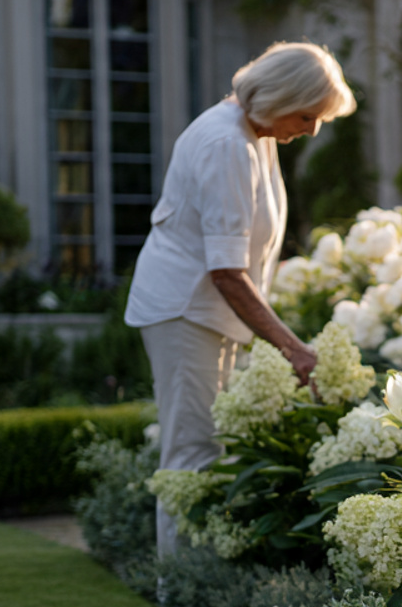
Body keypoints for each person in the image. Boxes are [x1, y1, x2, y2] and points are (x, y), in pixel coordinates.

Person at [125, 41, 356, 556]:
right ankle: (179, 591)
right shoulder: (225, 143)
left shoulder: (257, 132)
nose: (313, 130)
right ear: (278, 96)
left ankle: (197, 580)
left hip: (209, 314)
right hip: (186, 312)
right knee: (192, 453)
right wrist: (294, 349)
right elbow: (227, 273)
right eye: (307, 115)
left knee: (214, 447)